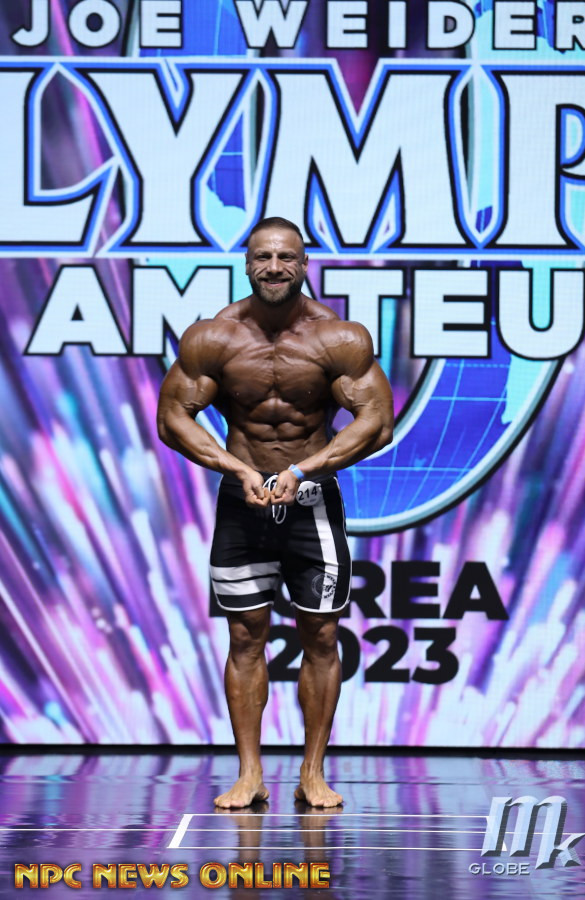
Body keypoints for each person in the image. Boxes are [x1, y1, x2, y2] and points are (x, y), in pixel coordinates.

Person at [157, 217, 394, 808]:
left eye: (286, 256)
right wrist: (236, 469)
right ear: (247, 264)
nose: (274, 267)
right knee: (245, 636)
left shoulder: (338, 338)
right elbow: (171, 418)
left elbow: (377, 423)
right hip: (242, 506)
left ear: (304, 263)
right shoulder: (214, 337)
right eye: (263, 256)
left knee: (321, 634)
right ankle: (249, 774)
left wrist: (304, 470)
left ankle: (313, 772)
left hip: (311, 507)